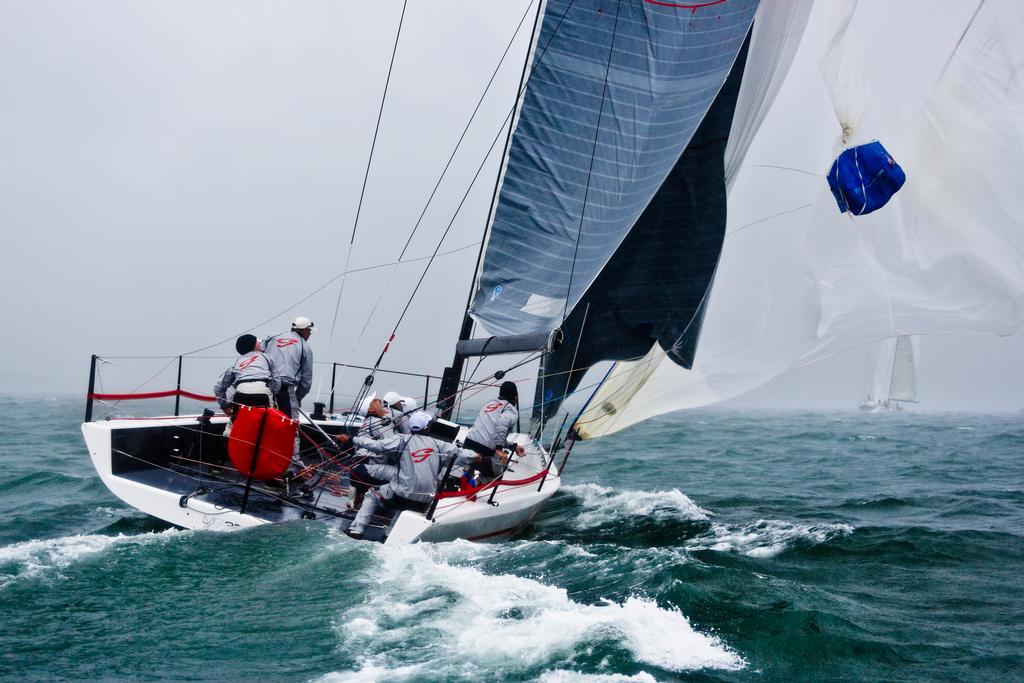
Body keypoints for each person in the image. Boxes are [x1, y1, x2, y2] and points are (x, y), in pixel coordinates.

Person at [337, 411, 479, 539]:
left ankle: (356, 530)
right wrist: (479, 456)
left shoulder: (401, 439)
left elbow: (377, 446)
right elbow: (464, 454)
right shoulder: (440, 444)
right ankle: (388, 536)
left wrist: (351, 439)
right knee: (406, 506)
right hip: (425, 501)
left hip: (402, 495)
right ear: (428, 427)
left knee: (372, 495)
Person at [261, 317, 314, 469]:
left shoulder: (272, 337)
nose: (310, 333)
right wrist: (298, 398)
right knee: (291, 426)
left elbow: (260, 353)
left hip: (265, 387)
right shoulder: (305, 347)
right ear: (304, 330)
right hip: (285, 389)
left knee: (265, 424)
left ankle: (261, 461)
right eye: (309, 330)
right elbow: (306, 379)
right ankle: (293, 467)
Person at [213, 335, 281, 433]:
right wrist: (273, 392)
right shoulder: (267, 358)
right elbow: (276, 381)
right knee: (270, 425)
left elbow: (218, 387)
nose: (260, 343)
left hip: (241, 392)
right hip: (263, 390)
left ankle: (228, 439)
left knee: (235, 427)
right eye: (257, 342)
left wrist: (224, 405)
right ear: (253, 346)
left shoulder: (237, 362)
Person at [462, 381, 525, 480]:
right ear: (515, 396)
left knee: (474, 463)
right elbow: (501, 425)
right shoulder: (511, 410)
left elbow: (491, 434)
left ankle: (465, 480)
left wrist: (513, 446)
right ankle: (473, 487)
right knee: (497, 474)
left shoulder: (489, 403)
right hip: (483, 453)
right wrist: (499, 450)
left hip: (467, 446)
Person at [345, 393, 398, 509]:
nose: (384, 405)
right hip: (370, 464)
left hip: (357, 463)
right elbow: (391, 445)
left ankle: (352, 499)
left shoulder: (367, 422)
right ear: (371, 409)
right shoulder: (379, 423)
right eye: (380, 403)